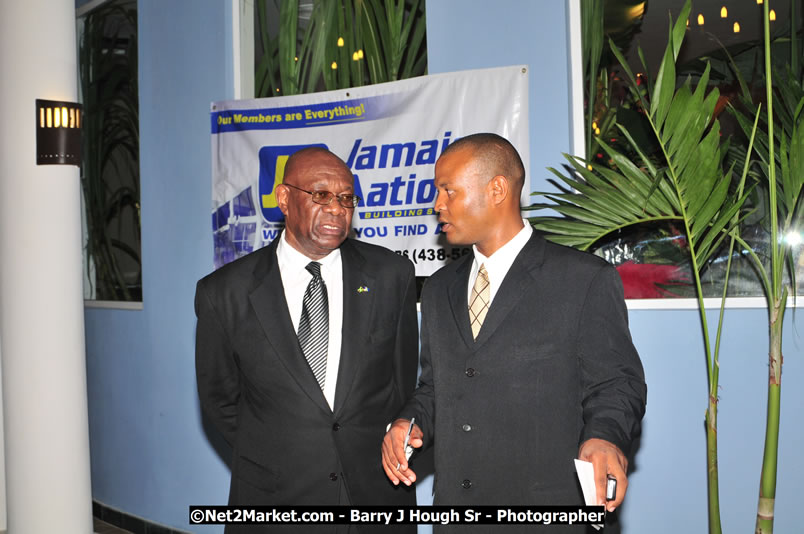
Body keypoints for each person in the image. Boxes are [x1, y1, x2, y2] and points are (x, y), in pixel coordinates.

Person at [381, 133, 647, 532]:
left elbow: (616, 383)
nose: (437, 204)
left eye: (448, 190)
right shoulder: (438, 289)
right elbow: (436, 386)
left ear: (497, 189)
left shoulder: (583, 279)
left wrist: (605, 438)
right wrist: (409, 421)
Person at [196, 147, 417, 532]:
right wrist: (283, 454)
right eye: (321, 195)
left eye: (346, 198)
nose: (336, 209)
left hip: (374, 495)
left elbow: (401, 383)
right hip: (277, 499)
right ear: (284, 199)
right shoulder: (224, 292)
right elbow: (221, 401)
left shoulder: (391, 275)